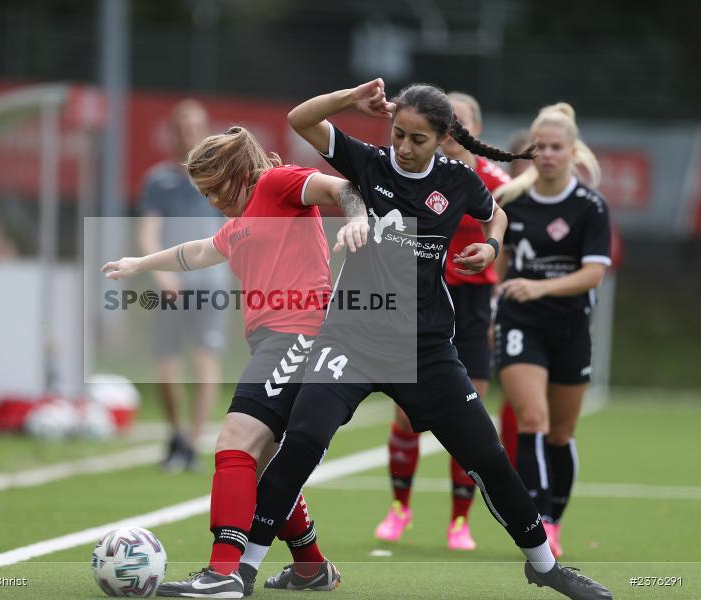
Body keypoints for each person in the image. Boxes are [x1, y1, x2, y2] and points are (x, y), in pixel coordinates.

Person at [239, 80, 612, 600]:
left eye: (418, 139)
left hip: (426, 347)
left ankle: (545, 566)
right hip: (350, 339)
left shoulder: (459, 180)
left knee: (488, 457)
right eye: (399, 135)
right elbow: (301, 119)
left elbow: (494, 215)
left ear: (442, 138)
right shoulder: (368, 163)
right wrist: (350, 99)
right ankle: (245, 569)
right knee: (302, 440)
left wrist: (491, 246)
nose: (405, 148)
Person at [103, 125, 368, 598]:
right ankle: (311, 567)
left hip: (299, 335)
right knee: (266, 463)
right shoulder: (240, 222)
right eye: (202, 193)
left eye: (213, 189)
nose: (209, 201)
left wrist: (356, 217)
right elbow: (199, 251)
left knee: (235, 442)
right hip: (273, 341)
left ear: (237, 173)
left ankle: (224, 570)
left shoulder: (276, 183)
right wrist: (141, 264)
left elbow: (342, 186)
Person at [374, 91, 519, 551]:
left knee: (470, 417)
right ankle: (400, 509)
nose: (454, 132)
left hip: (472, 306)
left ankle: (460, 521)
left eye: (463, 123)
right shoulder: (414, 171)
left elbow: (503, 223)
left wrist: (493, 260)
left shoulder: (489, 179)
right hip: (421, 305)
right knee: (404, 414)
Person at [493, 103, 611, 560]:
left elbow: (593, 274)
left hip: (569, 325)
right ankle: (538, 520)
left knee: (561, 433)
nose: (545, 154)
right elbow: (500, 263)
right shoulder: (511, 200)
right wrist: (496, 301)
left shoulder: (590, 207)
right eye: (538, 146)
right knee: (532, 420)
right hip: (521, 323)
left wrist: (540, 287)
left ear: (573, 151)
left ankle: (556, 517)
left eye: (555, 147)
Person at [136, 100, 228, 471]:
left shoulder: (218, 176)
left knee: (205, 359)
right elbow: (148, 232)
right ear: (172, 132)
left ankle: (192, 443)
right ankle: (174, 434)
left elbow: (233, 228)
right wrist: (160, 273)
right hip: (171, 284)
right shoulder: (157, 180)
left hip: (209, 283)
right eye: (182, 127)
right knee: (166, 363)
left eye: (196, 126)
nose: (189, 133)